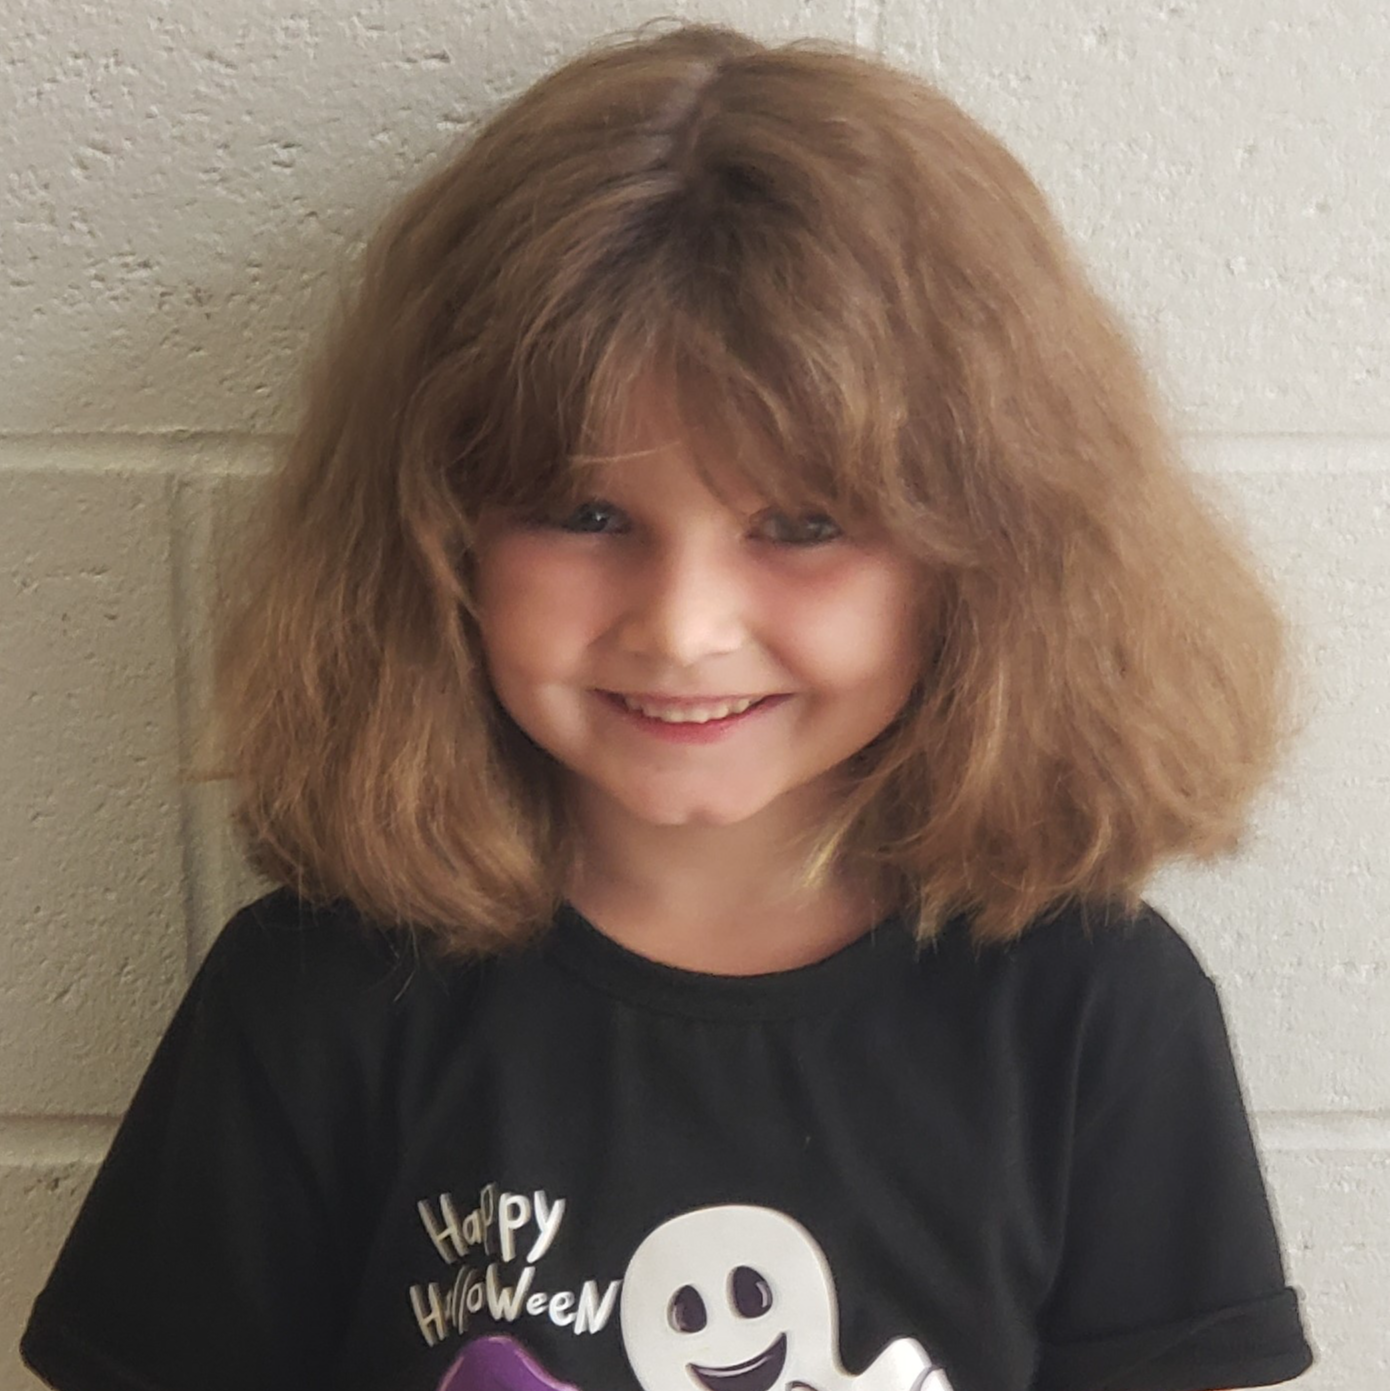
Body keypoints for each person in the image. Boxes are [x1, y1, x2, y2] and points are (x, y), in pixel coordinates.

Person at [22, 21, 1315, 1391]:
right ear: (434, 537)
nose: (683, 626)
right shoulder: (315, 996)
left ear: (992, 555)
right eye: (584, 512)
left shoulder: (1092, 1006)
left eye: (803, 522)